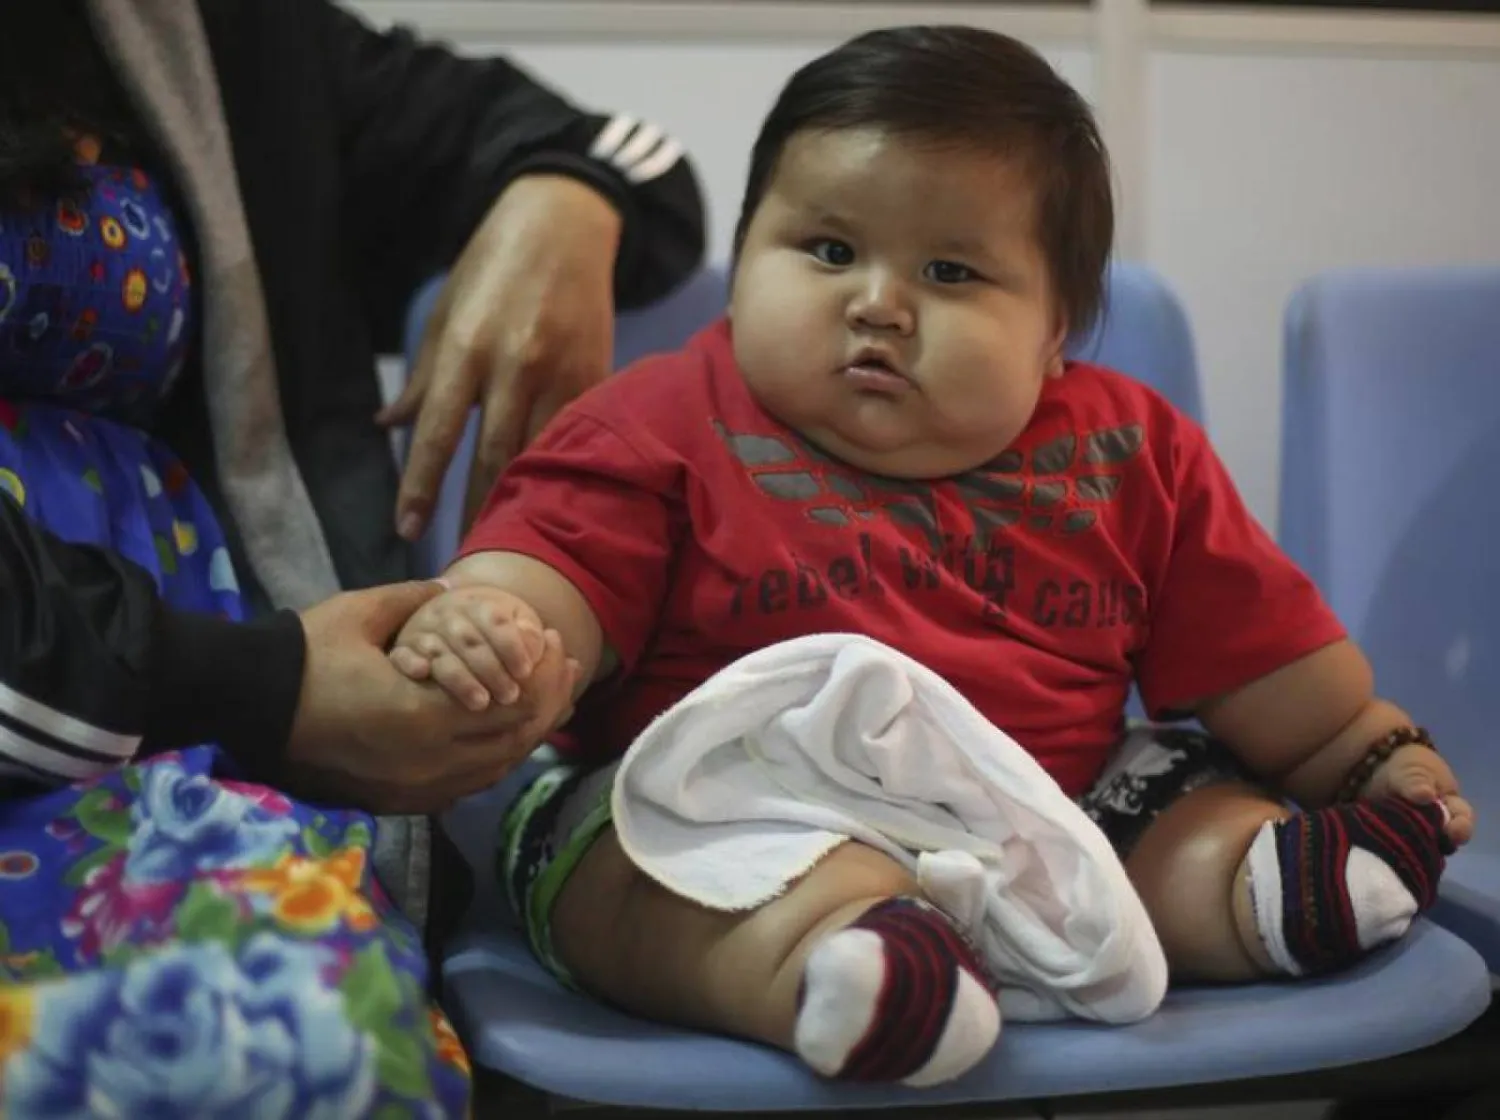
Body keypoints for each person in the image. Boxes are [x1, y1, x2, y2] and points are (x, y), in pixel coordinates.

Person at [391, 25, 1474, 1089]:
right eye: (826, 250)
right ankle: (840, 963)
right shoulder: (660, 425)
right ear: (744, 262)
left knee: (1180, 793)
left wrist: (1370, 754)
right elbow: (555, 574)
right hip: (731, 803)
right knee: (608, 855)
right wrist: (497, 622)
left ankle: (1268, 888)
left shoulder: (1128, 452)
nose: (877, 303)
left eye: (950, 271)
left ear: (1056, 334)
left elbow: (1271, 675)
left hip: (1053, 803)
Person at [0, 0, 702, 1114]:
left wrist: (564, 196)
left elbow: (640, 163)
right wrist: (269, 685)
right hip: (134, 710)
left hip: (214, 765)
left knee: (327, 1027)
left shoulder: (219, 35)